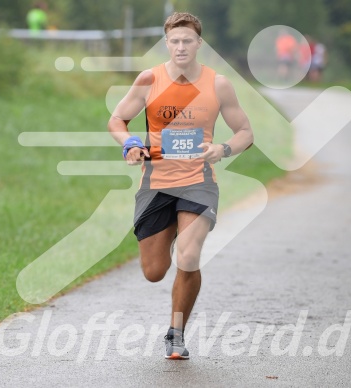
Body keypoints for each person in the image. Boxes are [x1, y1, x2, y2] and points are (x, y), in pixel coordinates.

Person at [108, 12, 254, 360]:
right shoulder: (149, 79)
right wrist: (129, 144)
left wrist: (223, 148)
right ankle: (172, 224)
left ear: (199, 43)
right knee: (154, 272)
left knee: (188, 255)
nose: (181, 46)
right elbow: (117, 119)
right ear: (166, 43)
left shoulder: (218, 84)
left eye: (187, 40)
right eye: (174, 40)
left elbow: (246, 132)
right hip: (156, 182)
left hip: (198, 182)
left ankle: (176, 333)